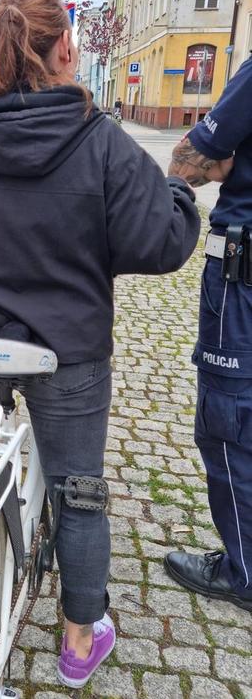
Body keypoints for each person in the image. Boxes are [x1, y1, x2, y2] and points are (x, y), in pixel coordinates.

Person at [0, 0, 200, 688]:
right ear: (65, 49)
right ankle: (81, 638)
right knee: (78, 493)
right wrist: (177, 188)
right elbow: (165, 241)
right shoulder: (103, 143)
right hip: (68, 354)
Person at [164, 56, 252, 613]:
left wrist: (175, 181)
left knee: (229, 423)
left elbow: (193, 158)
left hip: (242, 283)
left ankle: (243, 571)